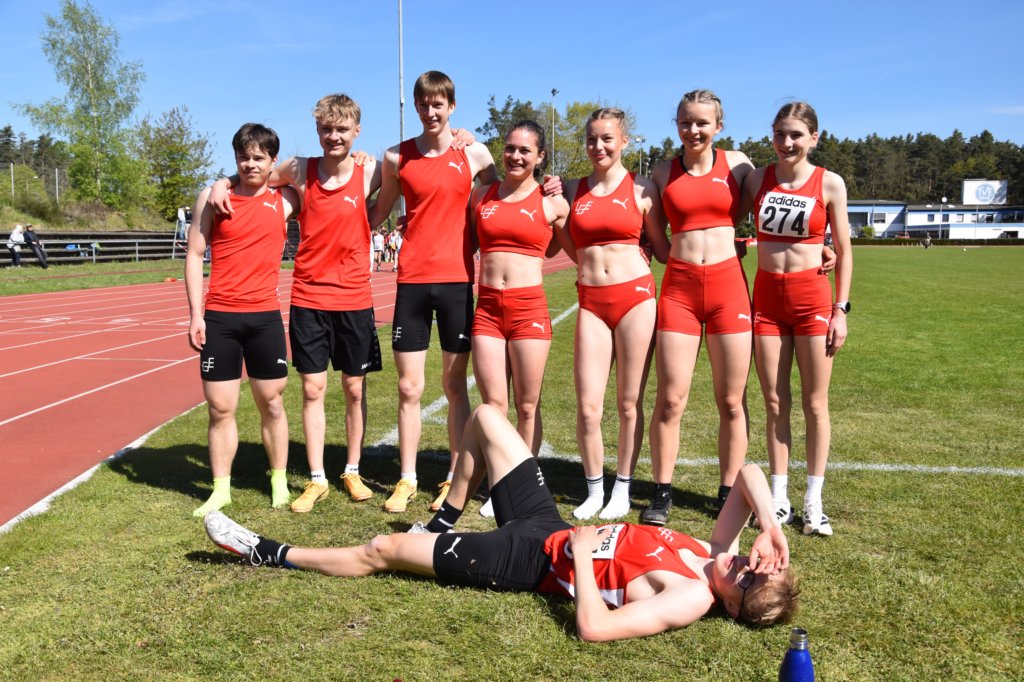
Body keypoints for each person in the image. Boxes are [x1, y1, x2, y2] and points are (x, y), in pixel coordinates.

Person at [205, 405, 798, 641]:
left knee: (382, 548)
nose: (744, 566)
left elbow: (594, 629)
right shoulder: (713, 553)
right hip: (547, 522)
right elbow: (748, 472)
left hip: (528, 561)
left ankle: (268, 551)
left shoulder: (691, 596)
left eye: (746, 581)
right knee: (487, 417)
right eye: (757, 565)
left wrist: (582, 560)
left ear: (731, 608)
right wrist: (770, 526)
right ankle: (444, 517)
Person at [208, 94, 384, 513]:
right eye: (326, 129)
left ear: (357, 131)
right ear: (317, 131)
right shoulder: (301, 169)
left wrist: (461, 138)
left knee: (354, 389)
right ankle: (317, 477)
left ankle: (352, 470)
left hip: (354, 296)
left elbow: (410, 176)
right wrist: (220, 183)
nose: (334, 136)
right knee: (312, 388)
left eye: (342, 129)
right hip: (308, 295)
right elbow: (253, 174)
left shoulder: (372, 170)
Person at [368, 70, 499, 514]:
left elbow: (499, 199)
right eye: (423, 104)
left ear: (452, 106)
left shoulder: (475, 153)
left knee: (454, 384)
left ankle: (454, 477)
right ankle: (407, 478)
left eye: (438, 104)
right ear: (416, 106)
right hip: (412, 281)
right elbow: (378, 212)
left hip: (457, 280)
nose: (430, 111)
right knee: (408, 386)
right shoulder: (396, 157)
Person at [435, 119, 568, 524]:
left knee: (527, 406)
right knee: (494, 407)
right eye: (510, 148)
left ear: (540, 157)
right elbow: (461, 238)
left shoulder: (552, 203)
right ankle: (498, 482)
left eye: (525, 150)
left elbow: (573, 248)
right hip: (489, 311)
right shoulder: (482, 196)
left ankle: (520, 489)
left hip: (529, 310)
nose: (516, 156)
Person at [642, 91, 755, 525]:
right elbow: (655, 234)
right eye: (685, 122)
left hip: (728, 290)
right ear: (676, 125)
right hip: (680, 293)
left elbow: (773, 197)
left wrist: (819, 246)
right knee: (671, 399)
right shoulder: (661, 172)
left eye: (702, 123)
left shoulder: (738, 164)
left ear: (718, 127)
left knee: (732, 401)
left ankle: (728, 492)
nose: (693, 130)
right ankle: (662, 492)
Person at [741, 102, 853, 536]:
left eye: (796, 135)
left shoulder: (830, 182)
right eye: (779, 134)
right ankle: (779, 499)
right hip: (767, 301)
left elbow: (844, 251)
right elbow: (719, 213)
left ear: (814, 138)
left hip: (812, 301)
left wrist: (840, 310)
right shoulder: (757, 179)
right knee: (774, 402)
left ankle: (814, 502)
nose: (786, 142)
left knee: (814, 403)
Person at [560, 108, 670, 521]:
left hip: (635, 299)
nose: (598, 146)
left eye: (607, 138)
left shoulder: (643, 188)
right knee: (588, 407)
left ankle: (622, 487)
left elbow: (662, 248)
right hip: (591, 301)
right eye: (591, 139)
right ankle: (594, 490)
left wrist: (724, 247)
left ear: (624, 141)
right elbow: (562, 239)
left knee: (628, 403)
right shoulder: (571, 189)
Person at [185, 123, 300, 518]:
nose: (250, 164)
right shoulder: (212, 198)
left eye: (258, 158)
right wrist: (195, 314)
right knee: (220, 409)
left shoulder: (286, 200)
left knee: (272, 402)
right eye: (243, 157)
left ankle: (279, 479)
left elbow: (312, 171)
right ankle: (221, 489)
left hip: (264, 317)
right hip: (220, 318)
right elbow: (194, 255)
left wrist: (227, 179)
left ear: (272, 160)